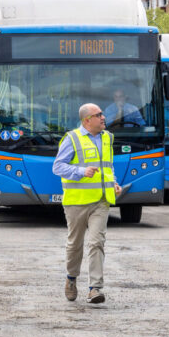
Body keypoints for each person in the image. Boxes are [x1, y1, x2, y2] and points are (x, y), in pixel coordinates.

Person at [52, 103, 122, 303]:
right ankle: (71, 278)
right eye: (98, 114)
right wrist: (81, 172)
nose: (103, 117)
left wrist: (114, 183)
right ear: (86, 120)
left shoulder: (107, 138)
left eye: (102, 114)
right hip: (76, 202)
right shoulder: (72, 138)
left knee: (97, 242)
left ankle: (95, 288)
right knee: (75, 244)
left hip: (101, 200)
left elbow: (107, 167)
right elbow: (57, 167)